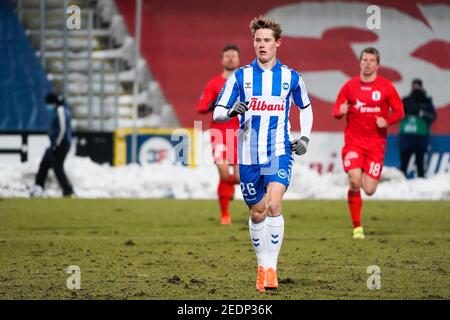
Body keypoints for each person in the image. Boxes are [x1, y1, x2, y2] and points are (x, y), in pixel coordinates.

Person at [213, 16, 313, 292]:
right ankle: (261, 265)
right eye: (257, 40)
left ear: (277, 43)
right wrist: (232, 111)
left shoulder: (291, 77)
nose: (262, 44)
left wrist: (304, 136)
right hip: (247, 154)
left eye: (267, 40)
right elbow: (218, 111)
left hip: (279, 149)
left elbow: (305, 107)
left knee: (274, 205)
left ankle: (271, 270)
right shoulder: (240, 76)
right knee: (258, 212)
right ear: (253, 43)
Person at [333, 47, 404, 239]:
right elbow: (336, 111)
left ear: (377, 65)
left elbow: (399, 111)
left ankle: (360, 179)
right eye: (364, 59)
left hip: (375, 144)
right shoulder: (349, 86)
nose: (367, 63)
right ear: (360, 62)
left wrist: (387, 121)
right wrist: (341, 110)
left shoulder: (386, 87)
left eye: (371, 60)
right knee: (355, 180)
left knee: (370, 190)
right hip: (353, 142)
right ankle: (357, 227)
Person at [196, 44, 241, 225]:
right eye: (227, 56)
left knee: (238, 177)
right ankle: (225, 215)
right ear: (222, 60)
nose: (230, 59)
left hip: (241, 133)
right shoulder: (213, 84)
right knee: (223, 172)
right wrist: (212, 104)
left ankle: (228, 190)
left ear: (238, 60)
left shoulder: (245, 82)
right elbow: (201, 107)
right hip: (220, 133)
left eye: (233, 56)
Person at [30, 93, 74, 197]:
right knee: (44, 164)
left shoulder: (61, 110)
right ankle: (38, 187)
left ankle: (68, 190)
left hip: (61, 144)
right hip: (56, 144)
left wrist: (56, 144)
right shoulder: (57, 110)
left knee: (57, 167)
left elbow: (62, 129)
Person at [399, 79, 436, 178]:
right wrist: (405, 113)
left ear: (421, 87)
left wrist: (421, 113)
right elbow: (397, 115)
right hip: (406, 138)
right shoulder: (406, 100)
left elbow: (433, 116)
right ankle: (400, 185)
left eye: (418, 85)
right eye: (414, 85)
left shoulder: (426, 102)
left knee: (420, 164)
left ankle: (421, 184)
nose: (416, 88)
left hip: (420, 138)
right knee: (404, 164)